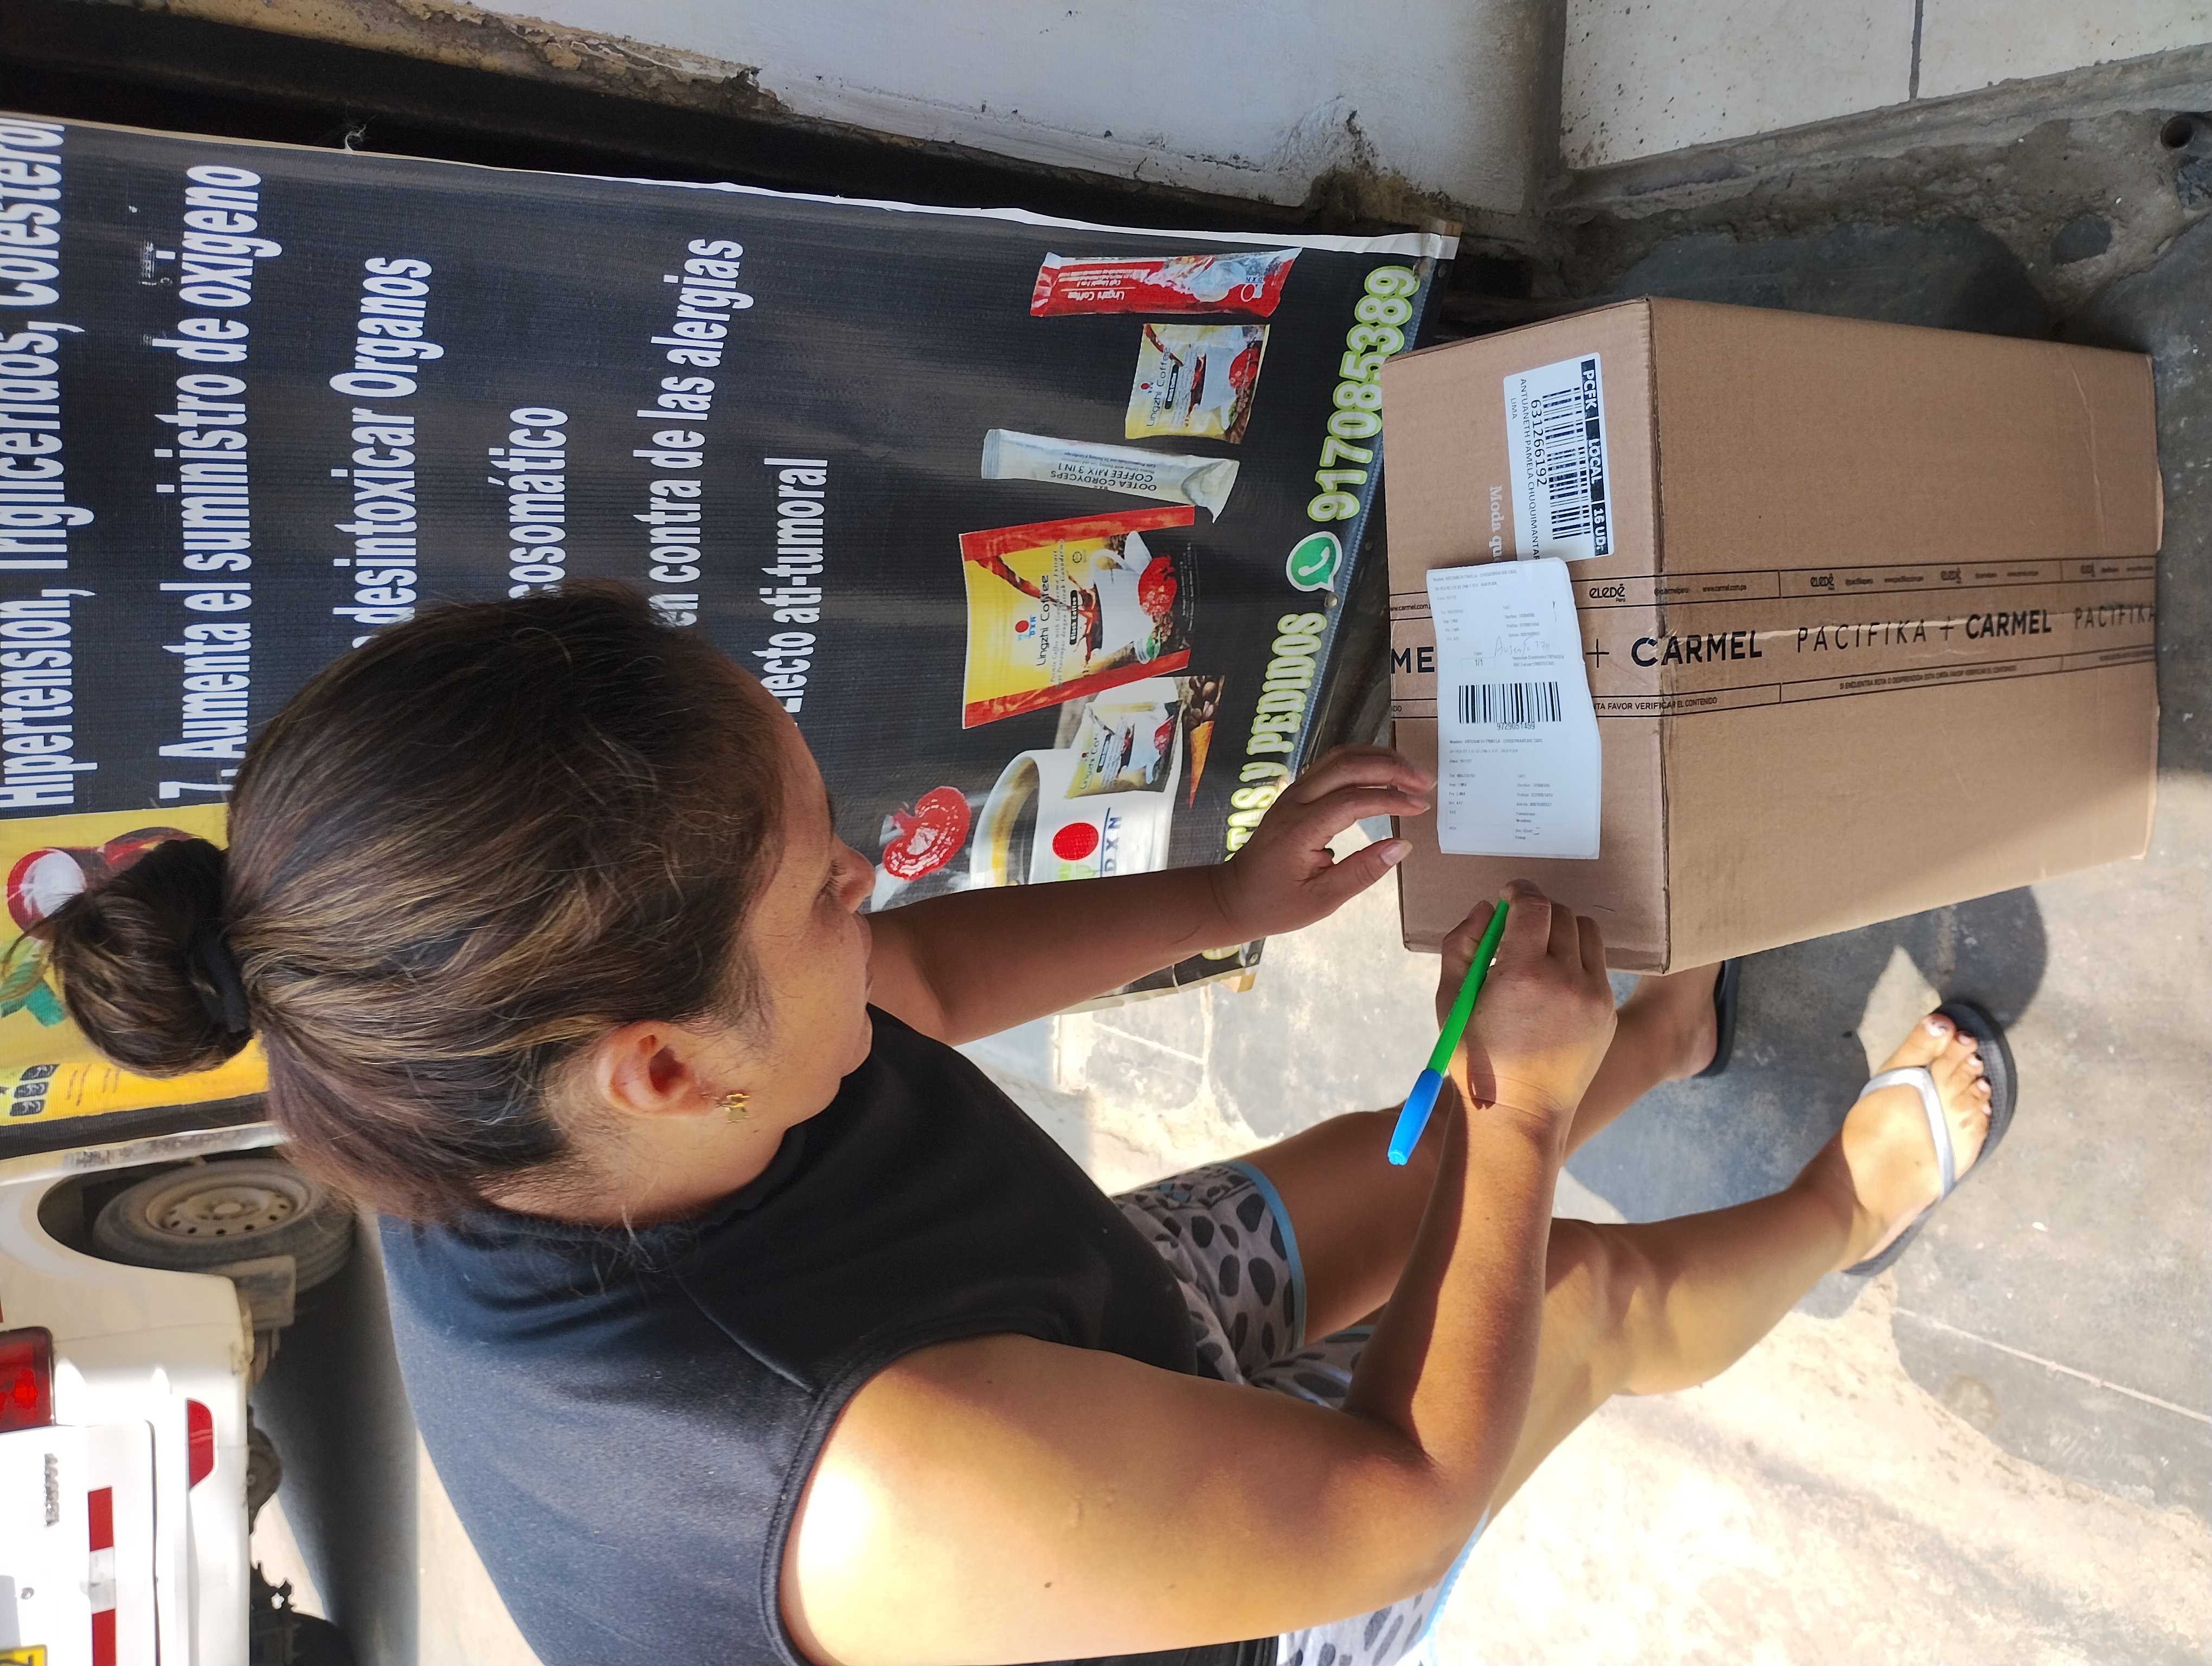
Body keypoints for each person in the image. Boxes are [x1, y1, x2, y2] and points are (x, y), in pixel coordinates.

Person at [41, 585, 2011, 1666]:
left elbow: (919, 979)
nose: (869, 880)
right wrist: (1518, 1119)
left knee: (1395, 1163)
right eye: (822, 882)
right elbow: (1395, 1500)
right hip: (1136, 1591)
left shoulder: (469, 1070)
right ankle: (1851, 1199)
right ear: (666, 1069)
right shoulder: (861, 1481)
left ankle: (1644, 1049)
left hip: (1026, 1335)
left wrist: (1230, 899)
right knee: (1561, 1293)